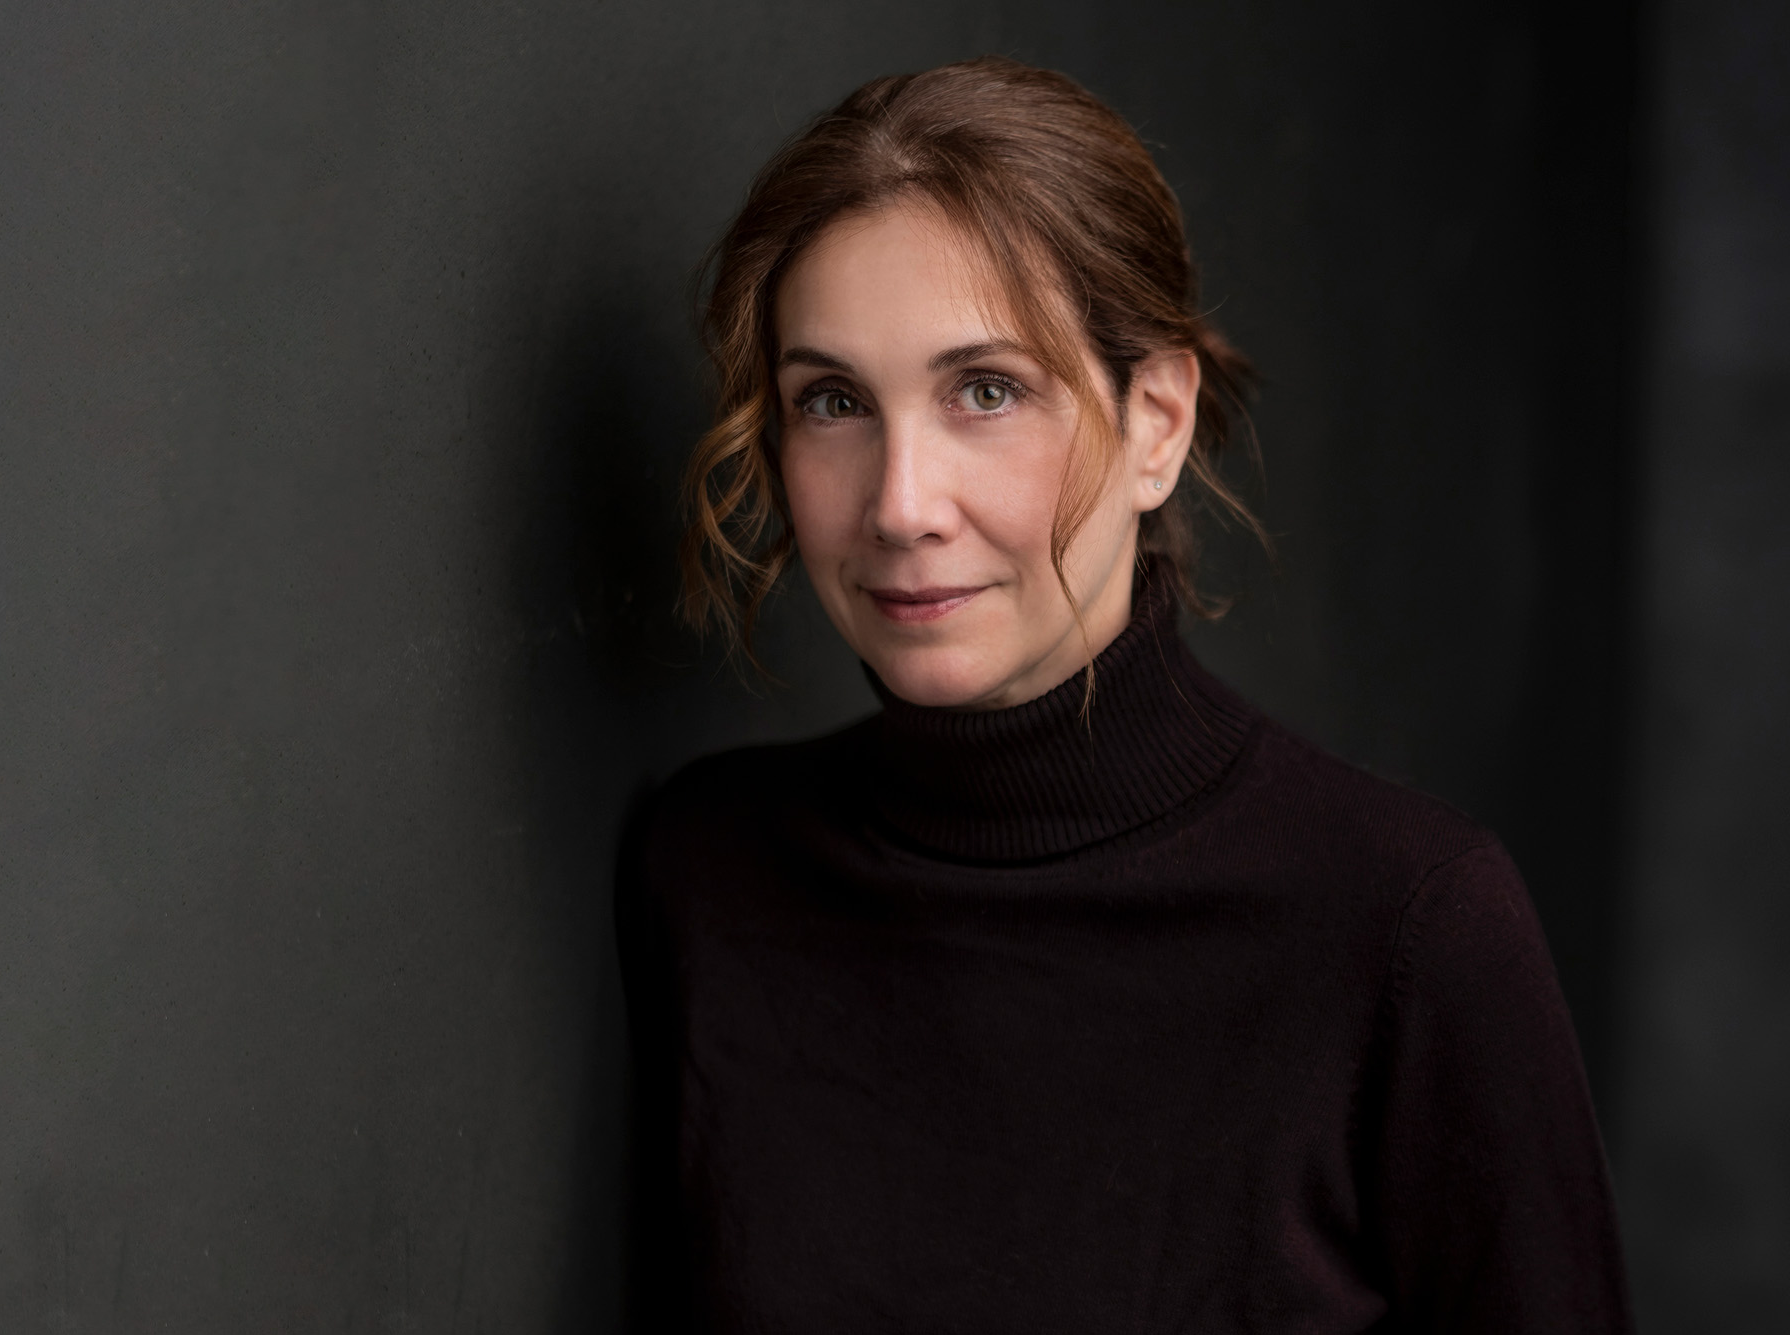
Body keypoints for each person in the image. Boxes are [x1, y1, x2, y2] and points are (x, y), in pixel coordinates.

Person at [616, 56, 1631, 1332]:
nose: (898, 504)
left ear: (1154, 421)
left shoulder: (1407, 929)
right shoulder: (707, 872)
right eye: (830, 402)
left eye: (985, 391)